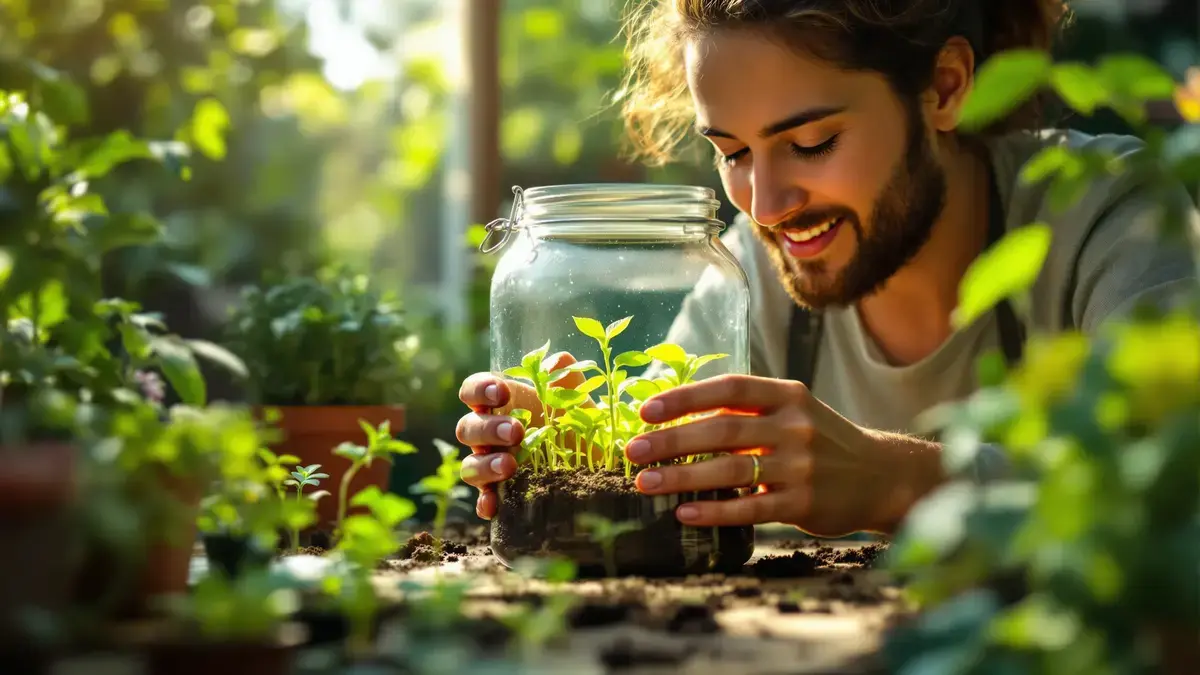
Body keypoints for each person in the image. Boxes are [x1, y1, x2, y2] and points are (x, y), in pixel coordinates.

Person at [456, 0, 1200, 538]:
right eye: (732, 153)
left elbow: (1170, 487)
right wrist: (582, 444)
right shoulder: (750, 272)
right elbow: (676, 464)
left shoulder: (1106, 213)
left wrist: (897, 480)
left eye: (811, 142)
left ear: (943, 87)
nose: (767, 204)